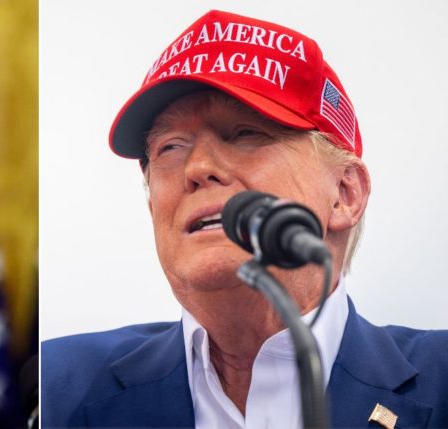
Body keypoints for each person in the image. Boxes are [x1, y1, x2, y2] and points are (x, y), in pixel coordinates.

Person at [41, 10, 448, 428]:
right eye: (170, 147)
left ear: (345, 194)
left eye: (245, 133)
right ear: (152, 206)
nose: (197, 167)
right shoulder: (51, 388)